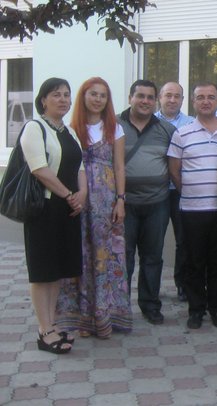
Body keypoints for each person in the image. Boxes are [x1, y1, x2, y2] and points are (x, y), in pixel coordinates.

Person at [56, 77, 132, 339]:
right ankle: (82, 319)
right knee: (79, 254)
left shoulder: (114, 128)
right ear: (84, 96)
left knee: (105, 255)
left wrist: (121, 199)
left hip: (106, 200)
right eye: (93, 94)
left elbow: (119, 166)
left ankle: (104, 315)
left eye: (103, 95)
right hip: (78, 197)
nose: (98, 99)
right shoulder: (70, 129)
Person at [21, 77, 86, 354]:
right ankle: (44, 330)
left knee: (57, 270)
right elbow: (40, 169)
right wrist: (69, 195)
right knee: (42, 271)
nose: (63, 99)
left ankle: (52, 324)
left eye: (66, 95)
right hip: (45, 209)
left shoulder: (69, 131)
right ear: (43, 100)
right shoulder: (34, 128)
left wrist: (82, 194)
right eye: (56, 94)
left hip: (68, 210)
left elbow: (80, 166)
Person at [168, 82, 217, 330]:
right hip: (192, 211)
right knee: (194, 263)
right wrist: (191, 192)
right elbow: (174, 171)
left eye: (211, 97)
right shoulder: (181, 133)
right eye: (200, 97)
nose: (206, 101)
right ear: (193, 102)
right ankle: (196, 310)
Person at [119, 79, 176, 325]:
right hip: (123, 204)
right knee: (123, 257)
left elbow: (175, 164)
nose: (145, 101)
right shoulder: (114, 126)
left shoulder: (167, 129)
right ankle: (119, 307)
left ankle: (150, 305)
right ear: (130, 98)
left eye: (150, 97)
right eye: (140, 96)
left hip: (158, 203)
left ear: (156, 101)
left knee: (153, 257)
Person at [155, 81, 194, 302]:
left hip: (181, 190)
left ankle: (183, 285)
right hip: (156, 191)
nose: (172, 100)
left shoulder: (191, 123)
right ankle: (151, 288)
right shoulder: (149, 122)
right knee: (154, 242)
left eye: (177, 96)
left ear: (182, 99)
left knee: (184, 241)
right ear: (160, 97)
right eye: (168, 95)